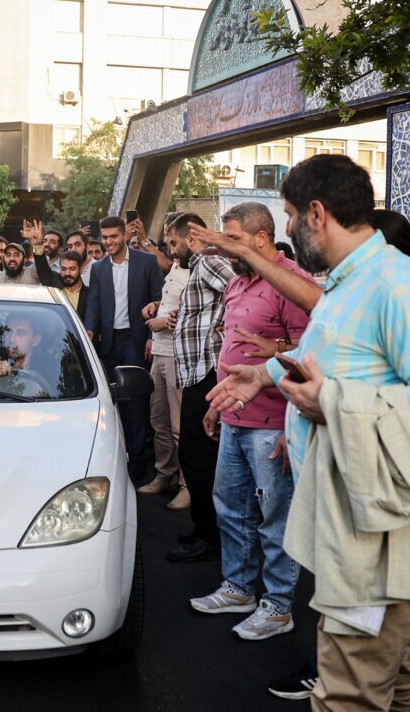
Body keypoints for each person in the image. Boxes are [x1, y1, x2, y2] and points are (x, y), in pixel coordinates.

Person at [208, 154, 410, 711]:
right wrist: (264, 374)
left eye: (287, 215)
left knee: (345, 691)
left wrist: (331, 400)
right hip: (355, 518)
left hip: (384, 529)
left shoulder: (399, 286)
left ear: (316, 213)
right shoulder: (347, 284)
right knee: (390, 679)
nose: (284, 230)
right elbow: (319, 356)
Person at [188, 202, 312, 641]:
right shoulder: (239, 283)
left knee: (274, 516)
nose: (227, 249)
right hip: (235, 418)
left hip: (273, 424)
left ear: (261, 238)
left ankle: (278, 606)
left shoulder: (294, 284)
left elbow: (311, 353)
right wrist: (217, 404)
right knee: (231, 507)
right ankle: (239, 588)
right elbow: (234, 351)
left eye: (234, 239)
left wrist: (293, 427)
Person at [165, 212, 235, 563]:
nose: (171, 249)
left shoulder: (208, 260)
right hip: (197, 373)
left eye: (173, 243)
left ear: (191, 238)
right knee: (197, 457)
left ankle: (209, 536)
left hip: (206, 372)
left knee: (198, 458)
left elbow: (238, 289)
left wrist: (222, 327)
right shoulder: (201, 266)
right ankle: (203, 530)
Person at [83, 215, 164, 484]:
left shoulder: (147, 262)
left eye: (113, 237)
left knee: (133, 402)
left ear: (124, 235)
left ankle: (138, 464)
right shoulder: (99, 268)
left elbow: (159, 300)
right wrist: (89, 331)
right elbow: (93, 304)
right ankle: (112, 460)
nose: (108, 242)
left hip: (136, 339)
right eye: (104, 238)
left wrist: (152, 336)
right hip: (108, 342)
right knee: (108, 403)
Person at [136, 215, 190, 509]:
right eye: (167, 240)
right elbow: (170, 303)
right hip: (159, 352)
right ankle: (164, 474)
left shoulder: (197, 270)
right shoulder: (177, 267)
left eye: (172, 240)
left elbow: (194, 313)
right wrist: (155, 306)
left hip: (177, 355)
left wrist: (163, 321)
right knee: (158, 420)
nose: (168, 245)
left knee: (179, 425)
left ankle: (186, 484)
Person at [56, 250, 88, 318]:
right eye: (63, 269)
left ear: (81, 269)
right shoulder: (55, 289)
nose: (67, 273)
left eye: (72, 269)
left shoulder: (90, 295)